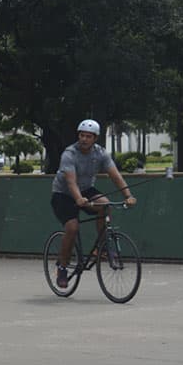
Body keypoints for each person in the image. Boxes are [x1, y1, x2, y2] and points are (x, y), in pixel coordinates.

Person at [50, 119, 137, 288]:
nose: (84, 139)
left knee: (105, 204)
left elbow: (115, 176)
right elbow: (71, 182)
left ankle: (102, 247)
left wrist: (128, 195)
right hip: (63, 194)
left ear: (95, 138)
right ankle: (62, 267)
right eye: (82, 135)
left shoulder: (100, 153)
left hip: (86, 189)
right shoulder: (69, 154)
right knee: (72, 228)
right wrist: (78, 199)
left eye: (88, 136)